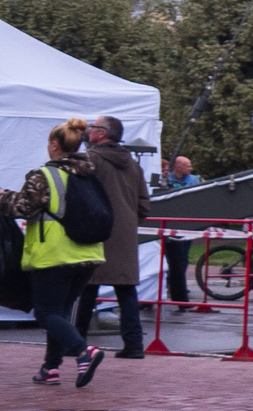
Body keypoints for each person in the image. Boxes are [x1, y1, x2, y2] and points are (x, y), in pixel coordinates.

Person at [13, 119, 107, 387]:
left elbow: (22, 208)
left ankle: (83, 351)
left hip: (55, 255)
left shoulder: (44, 176)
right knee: (60, 313)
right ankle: (50, 368)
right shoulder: (89, 175)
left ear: (54, 146)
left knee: (46, 313)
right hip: (89, 254)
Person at [76, 115, 149, 360]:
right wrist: (129, 224)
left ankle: (76, 343)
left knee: (86, 289)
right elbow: (143, 205)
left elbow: (80, 194)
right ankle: (134, 345)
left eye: (93, 127)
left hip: (97, 233)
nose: (89, 130)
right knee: (127, 291)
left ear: (102, 134)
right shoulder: (133, 164)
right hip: (125, 235)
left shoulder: (91, 160)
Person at [158, 154, 199, 306]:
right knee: (172, 263)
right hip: (168, 229)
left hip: (180, 229)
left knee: (180, 261)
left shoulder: (193, 181)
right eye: (163, 169)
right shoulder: (167, 182)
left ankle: (181, 299)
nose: (165, 172)